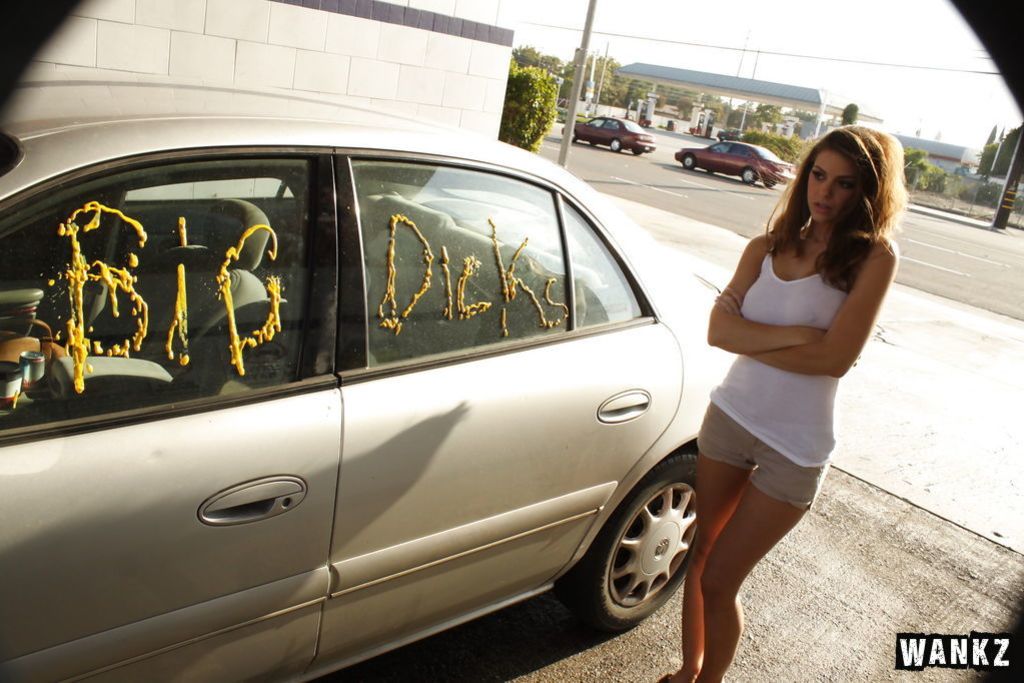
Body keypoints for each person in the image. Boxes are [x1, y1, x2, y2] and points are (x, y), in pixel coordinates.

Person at [661, 126, 907, 683]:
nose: (826, 192)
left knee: (721, 579)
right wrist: (798, 335)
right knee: (700, 556)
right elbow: (717, 332)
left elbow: (835, 359)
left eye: (844, 183)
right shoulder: (765, 248)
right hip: (730, 418)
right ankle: (688, 669)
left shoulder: (874, 258)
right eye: (818, 175)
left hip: (795, 448)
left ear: (867, 193)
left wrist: (752, 335)